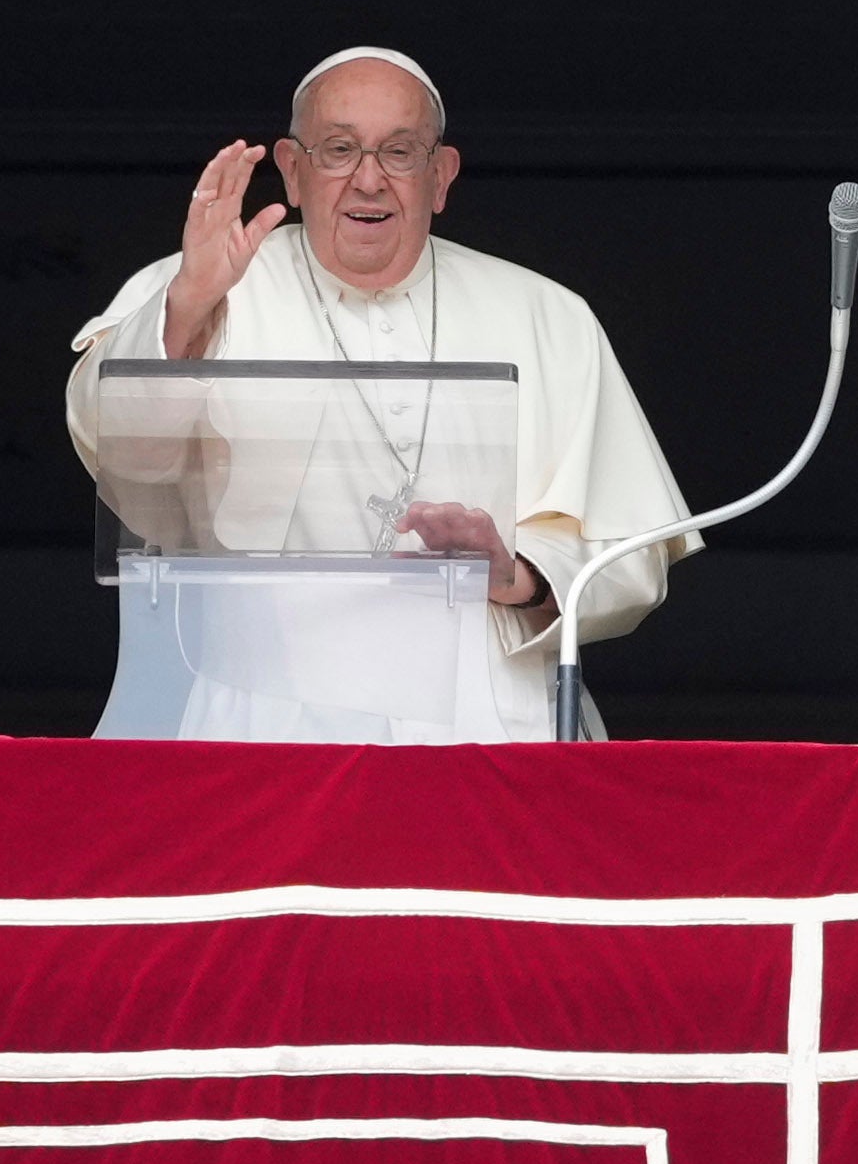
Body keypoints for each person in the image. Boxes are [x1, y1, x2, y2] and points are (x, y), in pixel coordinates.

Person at [66, 47, 694, 742]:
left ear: (440, 175)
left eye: (399, 152)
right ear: (292, 170)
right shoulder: (200, 286)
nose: (368, 179)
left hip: (488, 714)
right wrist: (186, 306)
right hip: (263, 709)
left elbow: (630, 553)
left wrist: (516, 574)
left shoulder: (549, 315)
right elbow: (118, 450)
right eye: (338, 149)